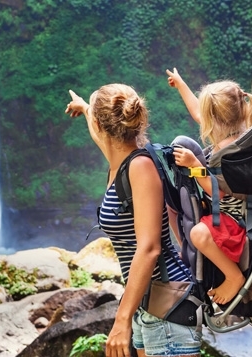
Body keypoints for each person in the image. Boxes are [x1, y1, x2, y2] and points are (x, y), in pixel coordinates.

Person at [65, 83, 202, 357]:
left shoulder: (140, 168)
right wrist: (85, 106)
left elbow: (150, 248)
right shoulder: (120, 161)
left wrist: (121, 319)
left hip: (168, 306)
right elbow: (99, 134)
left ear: (103, 125)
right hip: (146, 305)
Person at [166, 68, 252, 305]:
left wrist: (194, 164)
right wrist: (181, 84)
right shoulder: (238, 132)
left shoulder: (232, 152)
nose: (202, 120)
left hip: (234, 220)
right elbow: (199, 112)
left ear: (215, 120)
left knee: (198, 233)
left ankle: (233, 276)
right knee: (170, 208)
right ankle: (188, 253)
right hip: (223, 212)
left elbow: (216, 192)